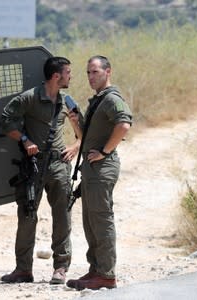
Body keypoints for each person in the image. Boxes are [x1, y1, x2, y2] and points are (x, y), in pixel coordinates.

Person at [0, 56, 82, 284]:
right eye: (68, 73)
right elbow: (5, 121)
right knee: (27, 216)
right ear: (57, 76)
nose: (70, 76)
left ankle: (61, 269)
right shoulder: (30, 98)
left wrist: (75, 146)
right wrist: (25, 139)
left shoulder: (67, 101)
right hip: (34, 165)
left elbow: (83, 132)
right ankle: (23, 270)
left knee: (62, 216)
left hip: (59, 166)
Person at [66, 55, 132, 290]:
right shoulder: (98, 100)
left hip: (103, 167)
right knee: (90, 221)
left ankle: (106, 274)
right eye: (88, 73)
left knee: (101, 220)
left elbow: (124, 124)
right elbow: (85, 138)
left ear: (108, 72)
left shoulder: (112, 99)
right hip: (91, 168)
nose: (91, 77)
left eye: (95, 72)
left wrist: (105, 151)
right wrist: (75, 122)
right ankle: (95, 269)